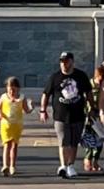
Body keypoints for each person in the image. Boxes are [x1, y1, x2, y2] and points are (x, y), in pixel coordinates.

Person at [40, 49, 94, 178]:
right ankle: (63, 165)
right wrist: (43, 110)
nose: (64, 64)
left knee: (74, 142)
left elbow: (89, 93)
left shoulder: (81, 76)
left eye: (67, 62)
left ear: (72, 62)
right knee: (63, 141)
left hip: (77, 115)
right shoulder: (55, 77)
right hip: (60, 115)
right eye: (62, 62)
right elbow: (46, 94)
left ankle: (70, 165)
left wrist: (92, 108)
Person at [0, 76, 34, 177]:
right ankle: (5, 165)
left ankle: (12, 166)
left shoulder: (22, 98)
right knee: (6, 144)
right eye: (9, 89)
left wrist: (31, 107)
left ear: (18, 89)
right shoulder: (4, 97)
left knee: (14, 145)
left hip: (17, 125)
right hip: (5, 124)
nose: (11, 91)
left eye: (13, 89)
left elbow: (26, 110)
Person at [83, 66, 104, 172]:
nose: (101, 81)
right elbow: (84, 101)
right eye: (99, 79)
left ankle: (95, 161)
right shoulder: (89, 85)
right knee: (90, 140)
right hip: (89, 117)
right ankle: (88, 160)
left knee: (100, 140)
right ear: (96, 76)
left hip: (100, 117)